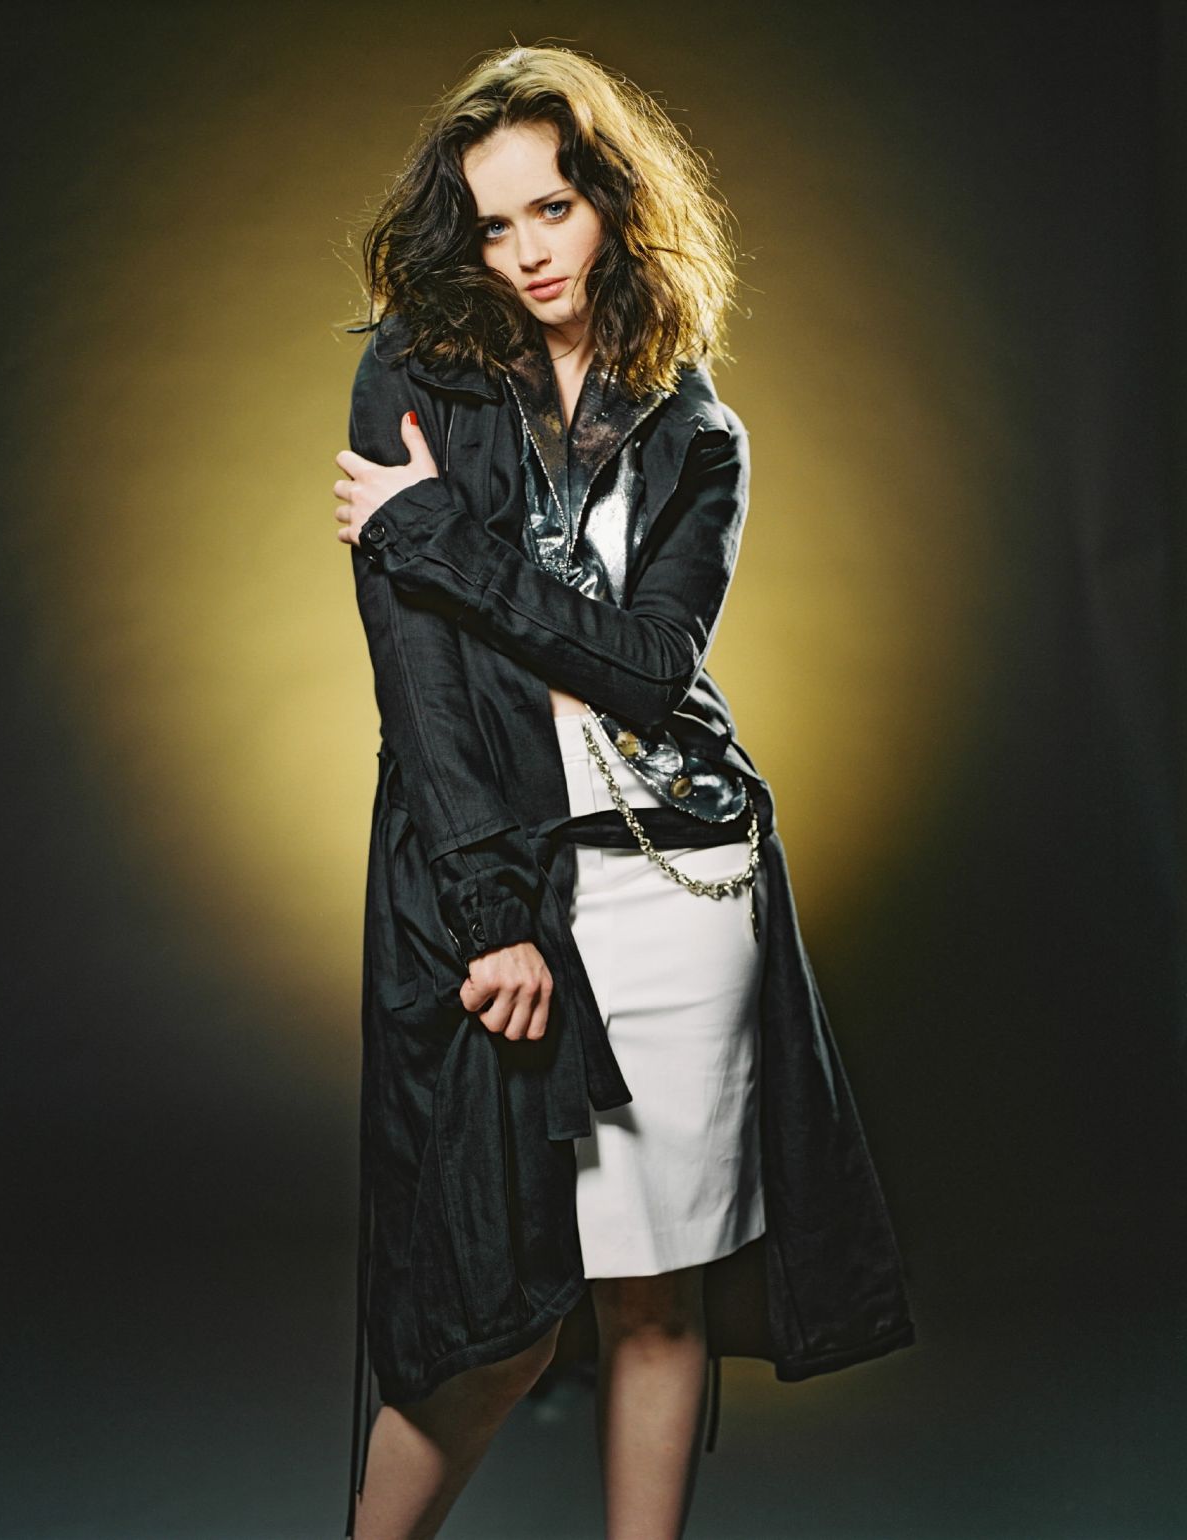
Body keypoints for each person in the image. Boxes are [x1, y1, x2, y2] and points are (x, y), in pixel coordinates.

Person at [332, 42, 916, 1540]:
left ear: (613, 203)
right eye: (493, 224)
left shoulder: (693, 423)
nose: (529, 251)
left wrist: (435, 539)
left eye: (556, 208)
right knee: (494, 1324)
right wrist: (490, 917)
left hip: (686, 887)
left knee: (659, 1301)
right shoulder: (415, 377)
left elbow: (652, 670)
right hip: (519, 892)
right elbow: (424, 690)